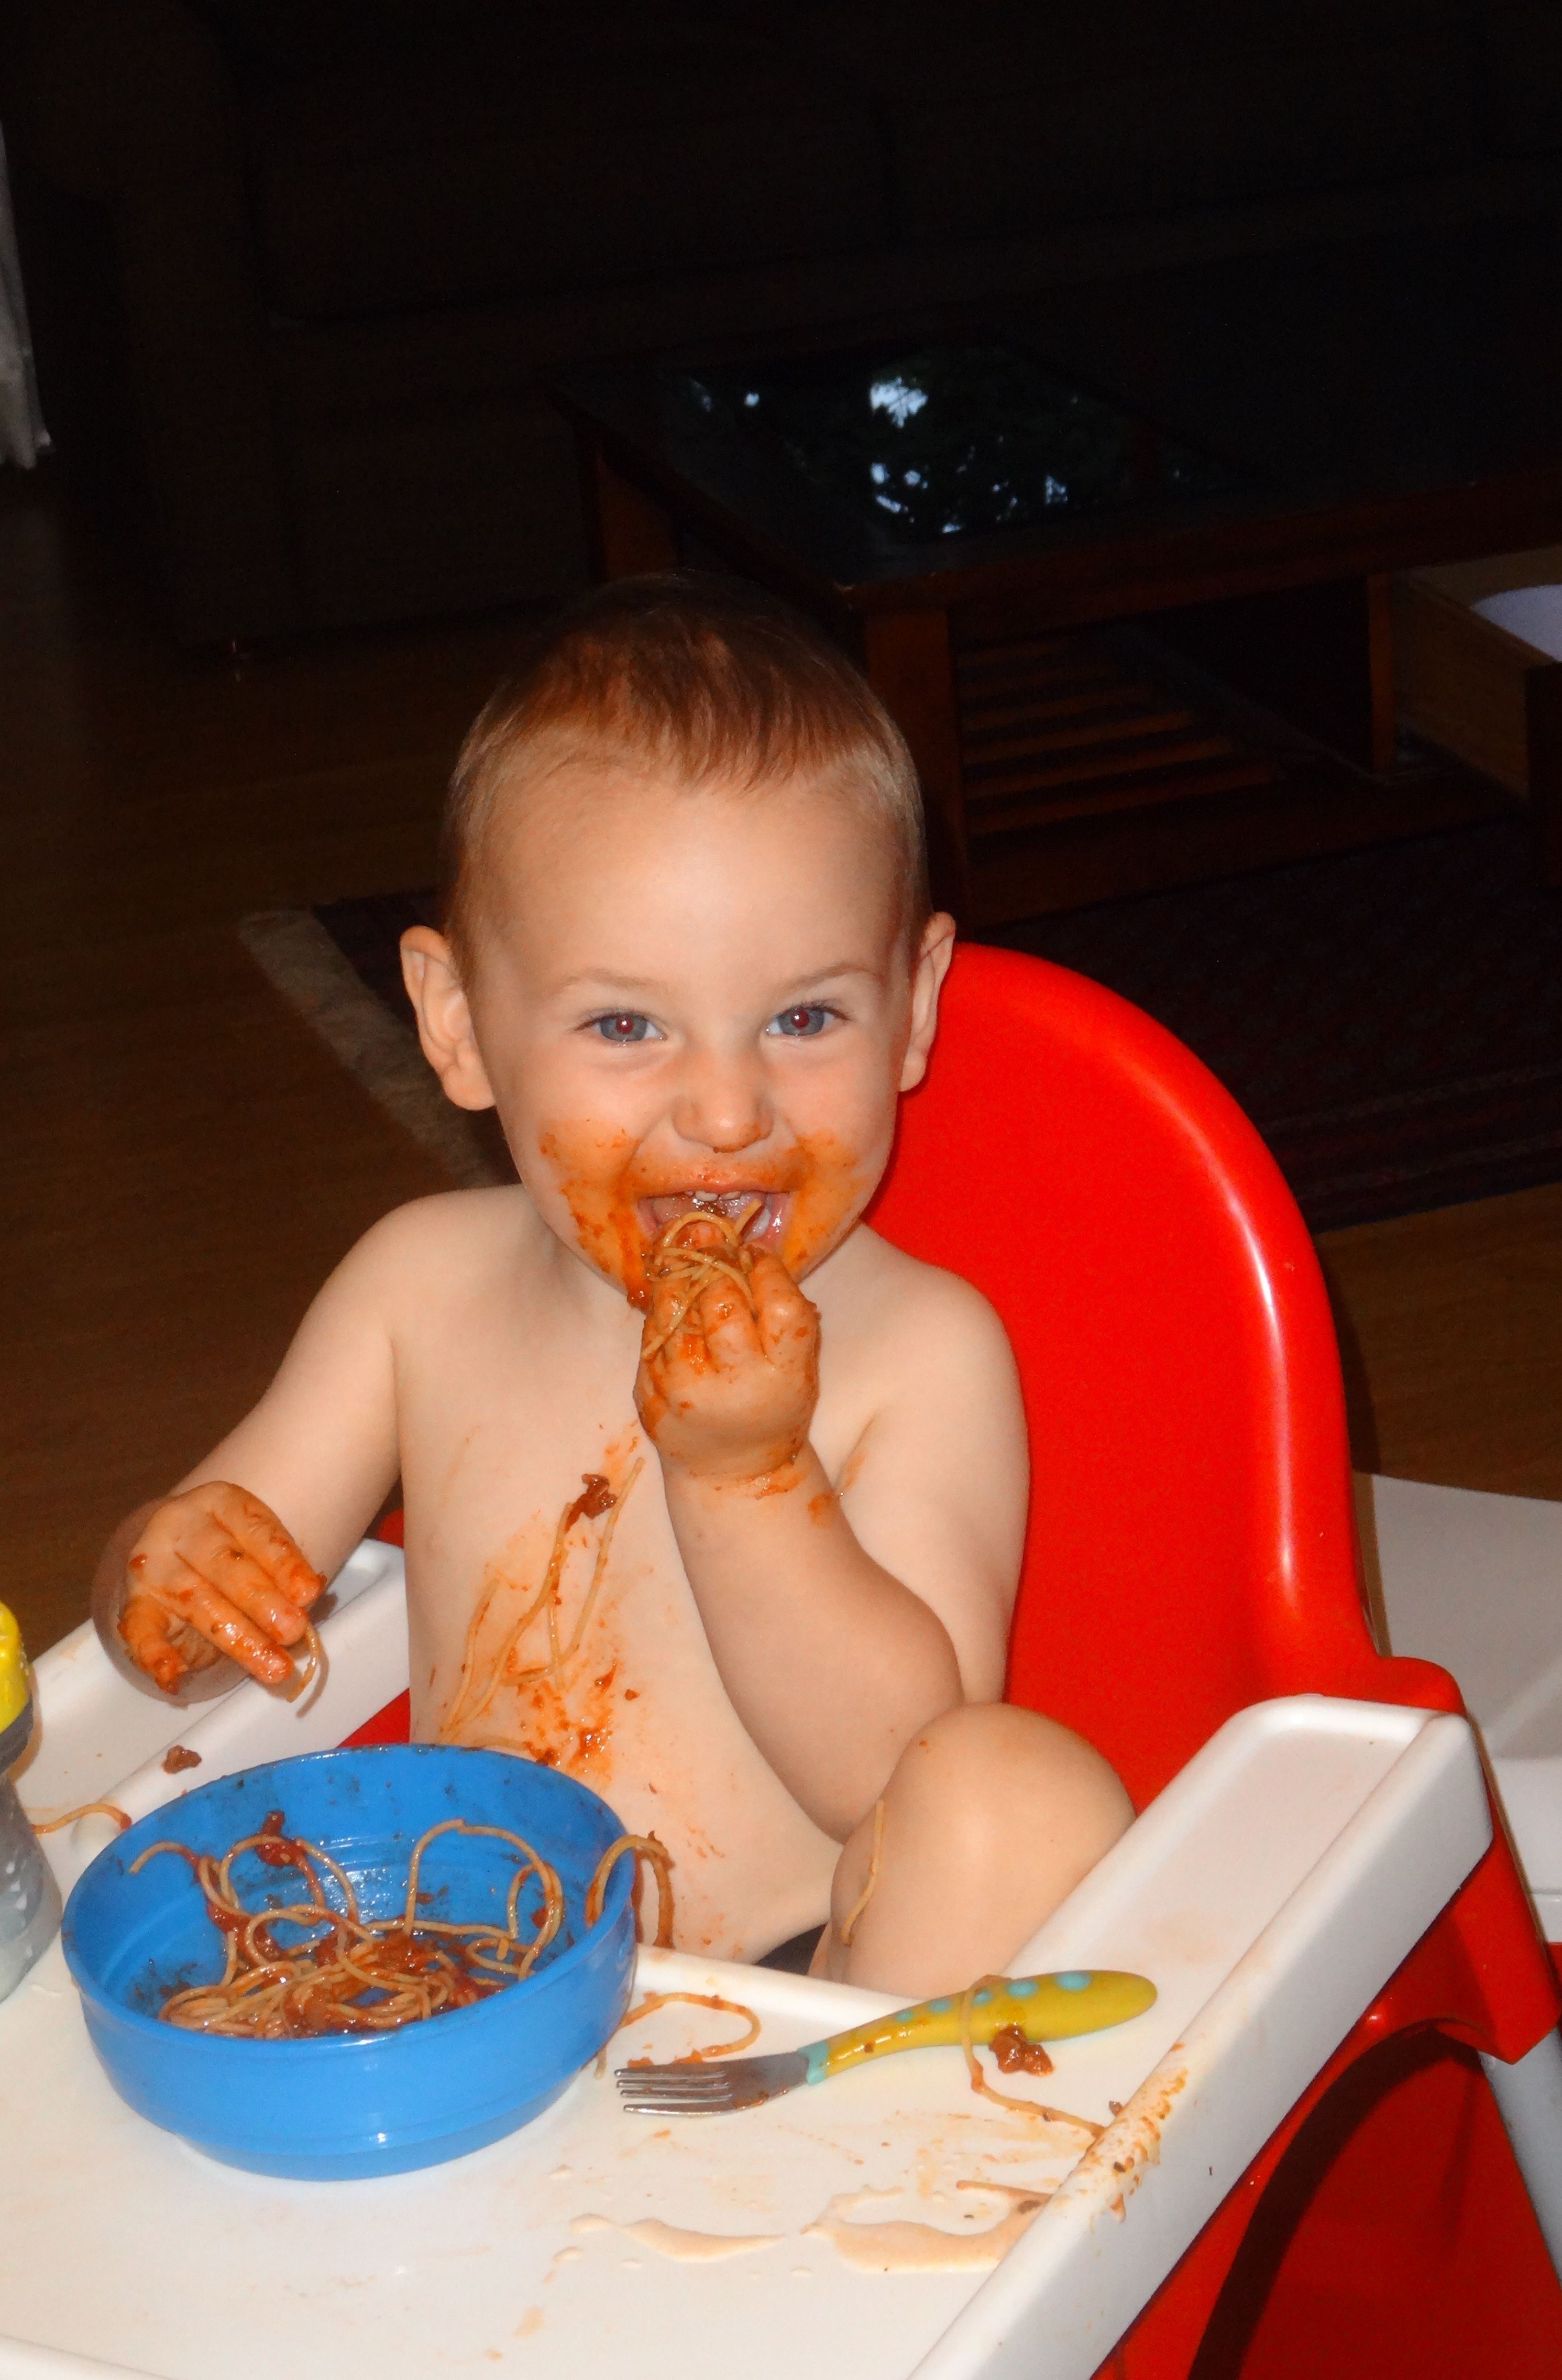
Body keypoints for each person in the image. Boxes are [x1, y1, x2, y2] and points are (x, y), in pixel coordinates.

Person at [93, 574, 1131, 1997]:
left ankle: (856, 2147)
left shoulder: (922, 1351)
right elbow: (205, 1611)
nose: (727, 1110)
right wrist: (162, 1575)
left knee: (1021, 1796)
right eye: (627, 1025)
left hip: (782, 2020)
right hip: (454, 1974)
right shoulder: (416, 1290)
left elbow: (890, 1771)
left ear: (916, 1005)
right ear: (459, 1025)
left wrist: (747, 1475)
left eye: (806, 1016)